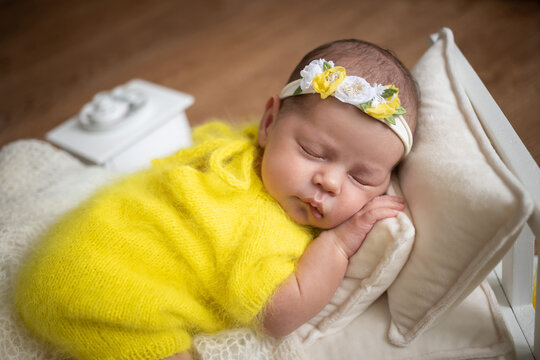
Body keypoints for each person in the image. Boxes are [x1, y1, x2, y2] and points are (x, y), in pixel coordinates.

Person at [15, 39, 418, 360]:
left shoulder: (238, 144)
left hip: (81, 243)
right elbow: (279, 315)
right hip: (100, 296)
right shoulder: (265, 229)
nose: (329, 182)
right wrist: (338, 243)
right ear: (269, 123)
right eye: (314, 151)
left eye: (361, 177)